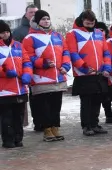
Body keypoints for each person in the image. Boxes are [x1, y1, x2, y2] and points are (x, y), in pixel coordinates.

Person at [20, 10, 70, 142]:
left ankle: (55, 127)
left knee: (56, 105)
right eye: (43, 19)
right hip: (41, 78)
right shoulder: (29, 38)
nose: (46, 21)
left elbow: (65, 52)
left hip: (58, 77)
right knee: (44, 107)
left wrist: (66, 66)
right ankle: (47, 129)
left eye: (47, 18)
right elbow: (28, 57)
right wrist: (43, 63)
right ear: (37, 22)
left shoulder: (58, 36)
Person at [65, 11, 112, 136]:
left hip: (99, 73)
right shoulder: (72, 34)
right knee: (86, 102)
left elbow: (106, 53)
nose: (90, 22)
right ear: (82, 20)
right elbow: (73, 53)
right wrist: (84, 67)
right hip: (84, 74)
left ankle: (95, 124)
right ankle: (86, 125)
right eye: (87, 20)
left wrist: (107, 67)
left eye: (92, 20)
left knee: (97, 100)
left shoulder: (99, 33)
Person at [0, 20, 28, 148]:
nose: (5, 34)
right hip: (4, 90)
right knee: (7, 117)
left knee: (19, 116)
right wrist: (4, 72)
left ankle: (18, 138)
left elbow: (26, 62)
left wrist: (27, 74)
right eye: (2, 33)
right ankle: (8, 140)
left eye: (7, 32)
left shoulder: (18, 45)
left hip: (20, 88)